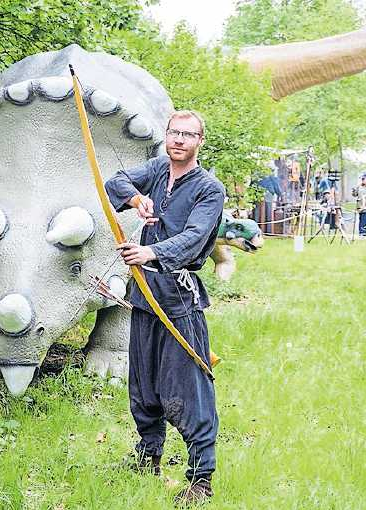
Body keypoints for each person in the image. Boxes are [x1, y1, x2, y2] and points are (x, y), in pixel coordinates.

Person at [104, 110, 223, 506]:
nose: (179, 140)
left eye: (188, 135)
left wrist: (149, 251)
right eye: (174, 132)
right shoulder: (158, 168)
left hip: (178, 298)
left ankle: (201, 476)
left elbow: (193, 238)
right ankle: (148, 454)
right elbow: (114, 181)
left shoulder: (209, 189)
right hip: (145, 295)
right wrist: (137, 198)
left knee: (187, 386)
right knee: (143, 382)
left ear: (200, 141)